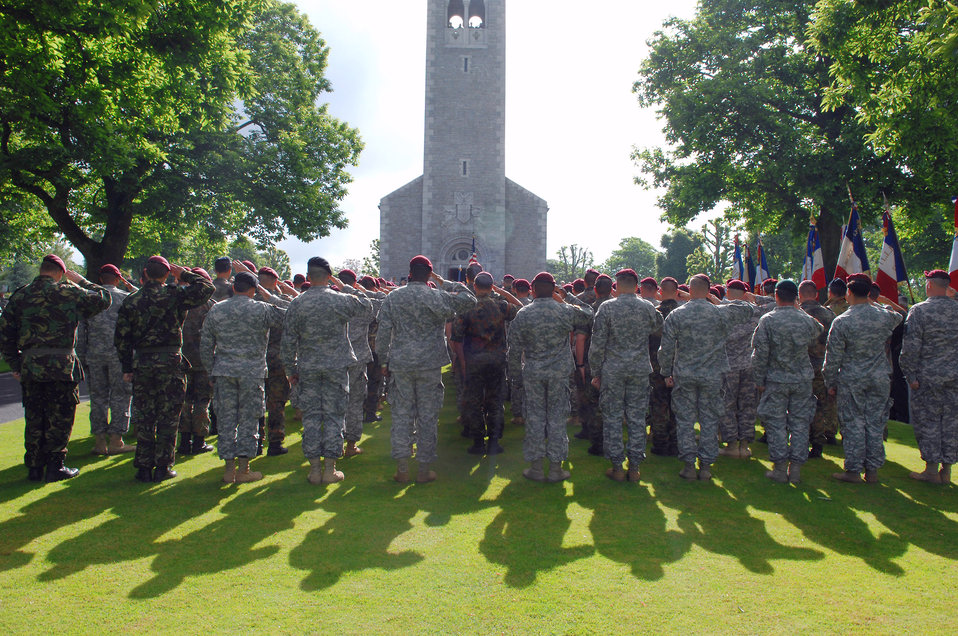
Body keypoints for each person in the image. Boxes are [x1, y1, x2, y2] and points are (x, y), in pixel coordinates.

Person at [0, 255, 111, 482]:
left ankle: (34, 467)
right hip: (61, 366)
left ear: (41, 270)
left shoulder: (20, 295)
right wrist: (82, 281)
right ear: (60, 273)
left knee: (34, 416)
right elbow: (104, 298)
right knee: (60, 416)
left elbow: (5, 334)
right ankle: (55, 466)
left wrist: (15, 363)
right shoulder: (67, 292)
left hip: (31, 366)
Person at [114, 256, 215, 483]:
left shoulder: (132, 300)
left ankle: (143, 466)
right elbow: (207, 287)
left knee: (146, 416)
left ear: (146, 274)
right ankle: (162, 466)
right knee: (169, 417)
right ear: (167, 274)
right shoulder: (174, 295)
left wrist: (127, 366)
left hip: (143, 362)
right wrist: (184, 274)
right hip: (169, 361)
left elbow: (121, 338)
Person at [376, 256, 476, 483]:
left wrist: (383, 361)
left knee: (402, 415)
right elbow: (469, 299)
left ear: (410, 272)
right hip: (430, 363)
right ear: (429, 274)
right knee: (427, 416)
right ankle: (423, 469)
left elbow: (384, 333)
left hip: (401, 362)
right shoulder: (436, 296)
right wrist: (444, 282)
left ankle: (402, 468)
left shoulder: (394, 297)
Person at [283, 258, 373, 485]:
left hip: (308, 366)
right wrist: (344, 285)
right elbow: (367, 305)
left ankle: (314, 469)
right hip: (336, 367)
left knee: (311, 417)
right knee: (334, 415)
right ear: (328, 276)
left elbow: (288, 342)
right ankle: (330, 469)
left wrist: (290, 369)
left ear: (308, 276)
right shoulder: (340, 300)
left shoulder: (297, 303)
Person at [658, 274, 754, 481]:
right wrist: (717, 301)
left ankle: (689, 465)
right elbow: (749, 308)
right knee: (709, 420)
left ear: (689, 291)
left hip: (685, 374)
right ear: (708, 291)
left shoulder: (677, 315)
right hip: (712, 375)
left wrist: (666, 372)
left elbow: (665, 349)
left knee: (685, 421)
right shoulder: (720, 313)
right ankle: (706, 467)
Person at [200, 271, 287, 483]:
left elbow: (205, 344)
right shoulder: (261, 308)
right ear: (253, 289)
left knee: (227, 419)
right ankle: (244, 469)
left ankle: (229, 470)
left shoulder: (217, 309)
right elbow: (290, 316)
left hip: (224, 371)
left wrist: (211, 370)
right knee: (249, 419)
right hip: (252, 373)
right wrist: (270, 296)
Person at [507, 272, 593, 482]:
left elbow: (514, 350)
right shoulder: (564, 310)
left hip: (534, 372)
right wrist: (567, 297)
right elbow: (589, 313)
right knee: (556, 419)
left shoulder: (524, 314)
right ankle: (555, 468)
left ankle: (536, 467)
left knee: (535, 419)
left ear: (533, 289)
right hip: (558, 373)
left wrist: (516, 379)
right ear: (553, 289)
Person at [823, 273, 903, 484]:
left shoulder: (842, 321)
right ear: (869, 294)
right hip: (879, 378)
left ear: (848, 293)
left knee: (853, 424)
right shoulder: (883, 316)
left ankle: (853, 470)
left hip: (852, 379)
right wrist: (876, 303)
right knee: (875, 423)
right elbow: (899, 316)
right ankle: (873, 470)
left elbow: (833, 358)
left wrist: (830, 382)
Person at [590, 269, 663, 482]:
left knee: (613, 417)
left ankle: (617, 467)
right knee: (637, 417)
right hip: (639, 368)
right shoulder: (648, 307)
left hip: (613, 369)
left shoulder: (607, 307)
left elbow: (598, 343)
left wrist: (595, 371)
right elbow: (658, 327)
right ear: (637, 285)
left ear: (617, 284)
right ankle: (635, 466)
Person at [750, 280, 823, 484]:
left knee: (776, 423)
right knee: (800, 424)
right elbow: (818, 329)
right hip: (801, 379)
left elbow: (760, 353)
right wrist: (799, 309)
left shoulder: (769, 320)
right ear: (796, 298)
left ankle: (780, 468)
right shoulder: (805, 320)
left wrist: (759, 378)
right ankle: (796, 469)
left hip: (776, 379)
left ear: (776, 296)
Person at [898, 270, 958, 484]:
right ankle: (947, 471)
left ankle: (931, 471)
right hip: (954, 378)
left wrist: (910, 374)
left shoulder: (920, 311)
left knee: (929, 422)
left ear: (930, 285)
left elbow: (911, 348)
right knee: (952, 422)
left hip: (927, 377)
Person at [452, 271, 520, 455]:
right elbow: (520, 307)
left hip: (474, 359)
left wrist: (461, 360)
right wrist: (502, 292)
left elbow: (456, 336)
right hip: (497, 359)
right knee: (495, 400)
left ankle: (477, 441)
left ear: (474, 286)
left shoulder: (467, 308)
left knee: (474, 400)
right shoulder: (501, 306)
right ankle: (494, 442)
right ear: (492, 287)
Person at [77, 264, 136, 456]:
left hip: (94, 355)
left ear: (101, 279)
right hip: (119, 355)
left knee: (98, 398)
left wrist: (83, 355)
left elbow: (81, 332)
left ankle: (100, 441)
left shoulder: (90, 299)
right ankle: (116, 440)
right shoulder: (126, 298)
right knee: (121, 396)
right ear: (118, 279)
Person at [339, 268, 384, 458]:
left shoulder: (332, 301)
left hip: (334, 358)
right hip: (356, 358)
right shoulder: (362, 304)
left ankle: (334, 445)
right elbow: (383, 302)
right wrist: (359, 291)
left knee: (334, 403)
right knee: (355, 402)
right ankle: (350, 445)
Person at [718, 280, 765, 459]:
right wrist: (756, 298)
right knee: (747, 406)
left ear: (728, 292)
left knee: (727, 405)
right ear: (745, 293)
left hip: (728, 365)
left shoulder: (722, 311)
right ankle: (744, 446)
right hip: (749, 365)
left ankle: (731, 444)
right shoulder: (756, 311)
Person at [177, 267, 216, 456]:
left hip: (183, 360)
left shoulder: (181, 302)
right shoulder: (210, 305)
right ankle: (199, 441)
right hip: (204, 361)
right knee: (202, 402)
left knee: (185, 401)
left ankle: (184, 441)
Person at [798, 280, 837, 457]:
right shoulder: (829, 315)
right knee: (820, 406)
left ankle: (800, 441)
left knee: (799, 406)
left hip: (800, 367)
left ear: (800, 295)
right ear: (816, 295)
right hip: (822, 366)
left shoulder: (798, 314)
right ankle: (818, 444)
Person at [258, 266, 294, 456]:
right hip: (276, 358)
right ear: (274, 281)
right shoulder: (278, 303)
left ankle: (254, 442)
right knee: (276, 402)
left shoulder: (248, 301)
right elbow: (293, 311)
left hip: (254, 358)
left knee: (254, 402)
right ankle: (274, 442)